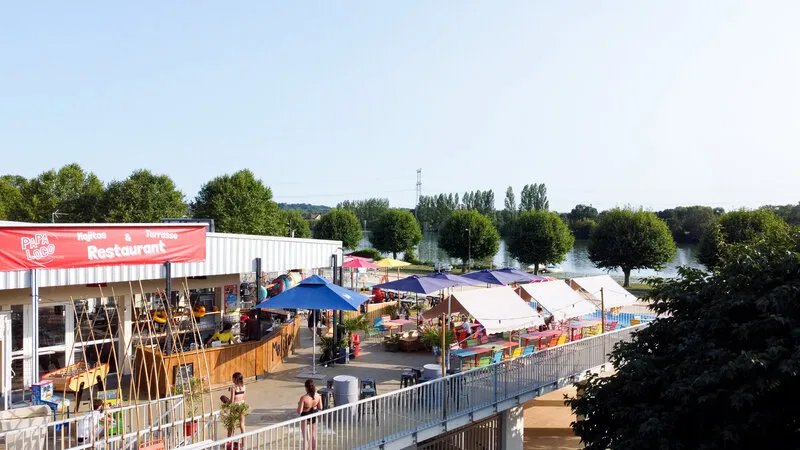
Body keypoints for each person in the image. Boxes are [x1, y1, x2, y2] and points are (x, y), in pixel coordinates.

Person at [297, 379, 323, 450]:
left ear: (306, 388)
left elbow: (299, 411)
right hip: (313, 416)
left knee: (305, 438)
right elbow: (320, 407)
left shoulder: (303, 398)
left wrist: (300, 405)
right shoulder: (318, 396)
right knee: (313, 435)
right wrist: (313, 406)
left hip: (305, 417)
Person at [220, 372, 246, 437]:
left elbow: (232, 400)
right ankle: (243, 442)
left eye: (233, 378)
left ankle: (228, 440)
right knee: (242, 424)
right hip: (242, 406)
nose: (232, 379)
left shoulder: (233, 388)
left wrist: (227, 401)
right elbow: (243, 398)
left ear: (235, 379)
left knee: (231, 425)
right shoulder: (244, 386)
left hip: (235, 406)